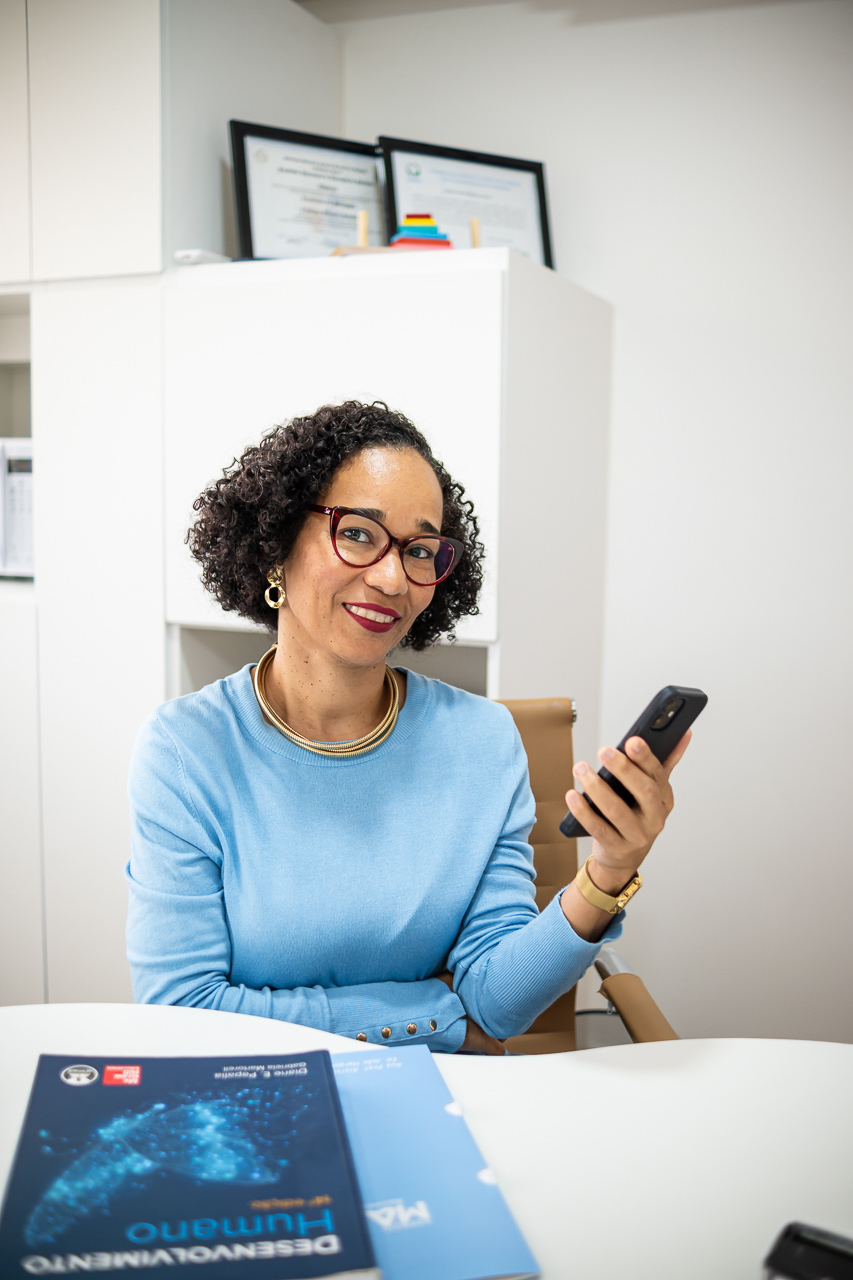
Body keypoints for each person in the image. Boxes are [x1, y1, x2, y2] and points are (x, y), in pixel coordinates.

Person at [126, 401, 691, 1054]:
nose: (393, 578)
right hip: (257, 1098)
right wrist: (437, 1015)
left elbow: (496, 1002)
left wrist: (610, 870)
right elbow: (184, 1012)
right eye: (359, 534)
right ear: (275, 543)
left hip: (444, 1100)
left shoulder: (481, 740)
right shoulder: (185, 751)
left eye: (419, 549)